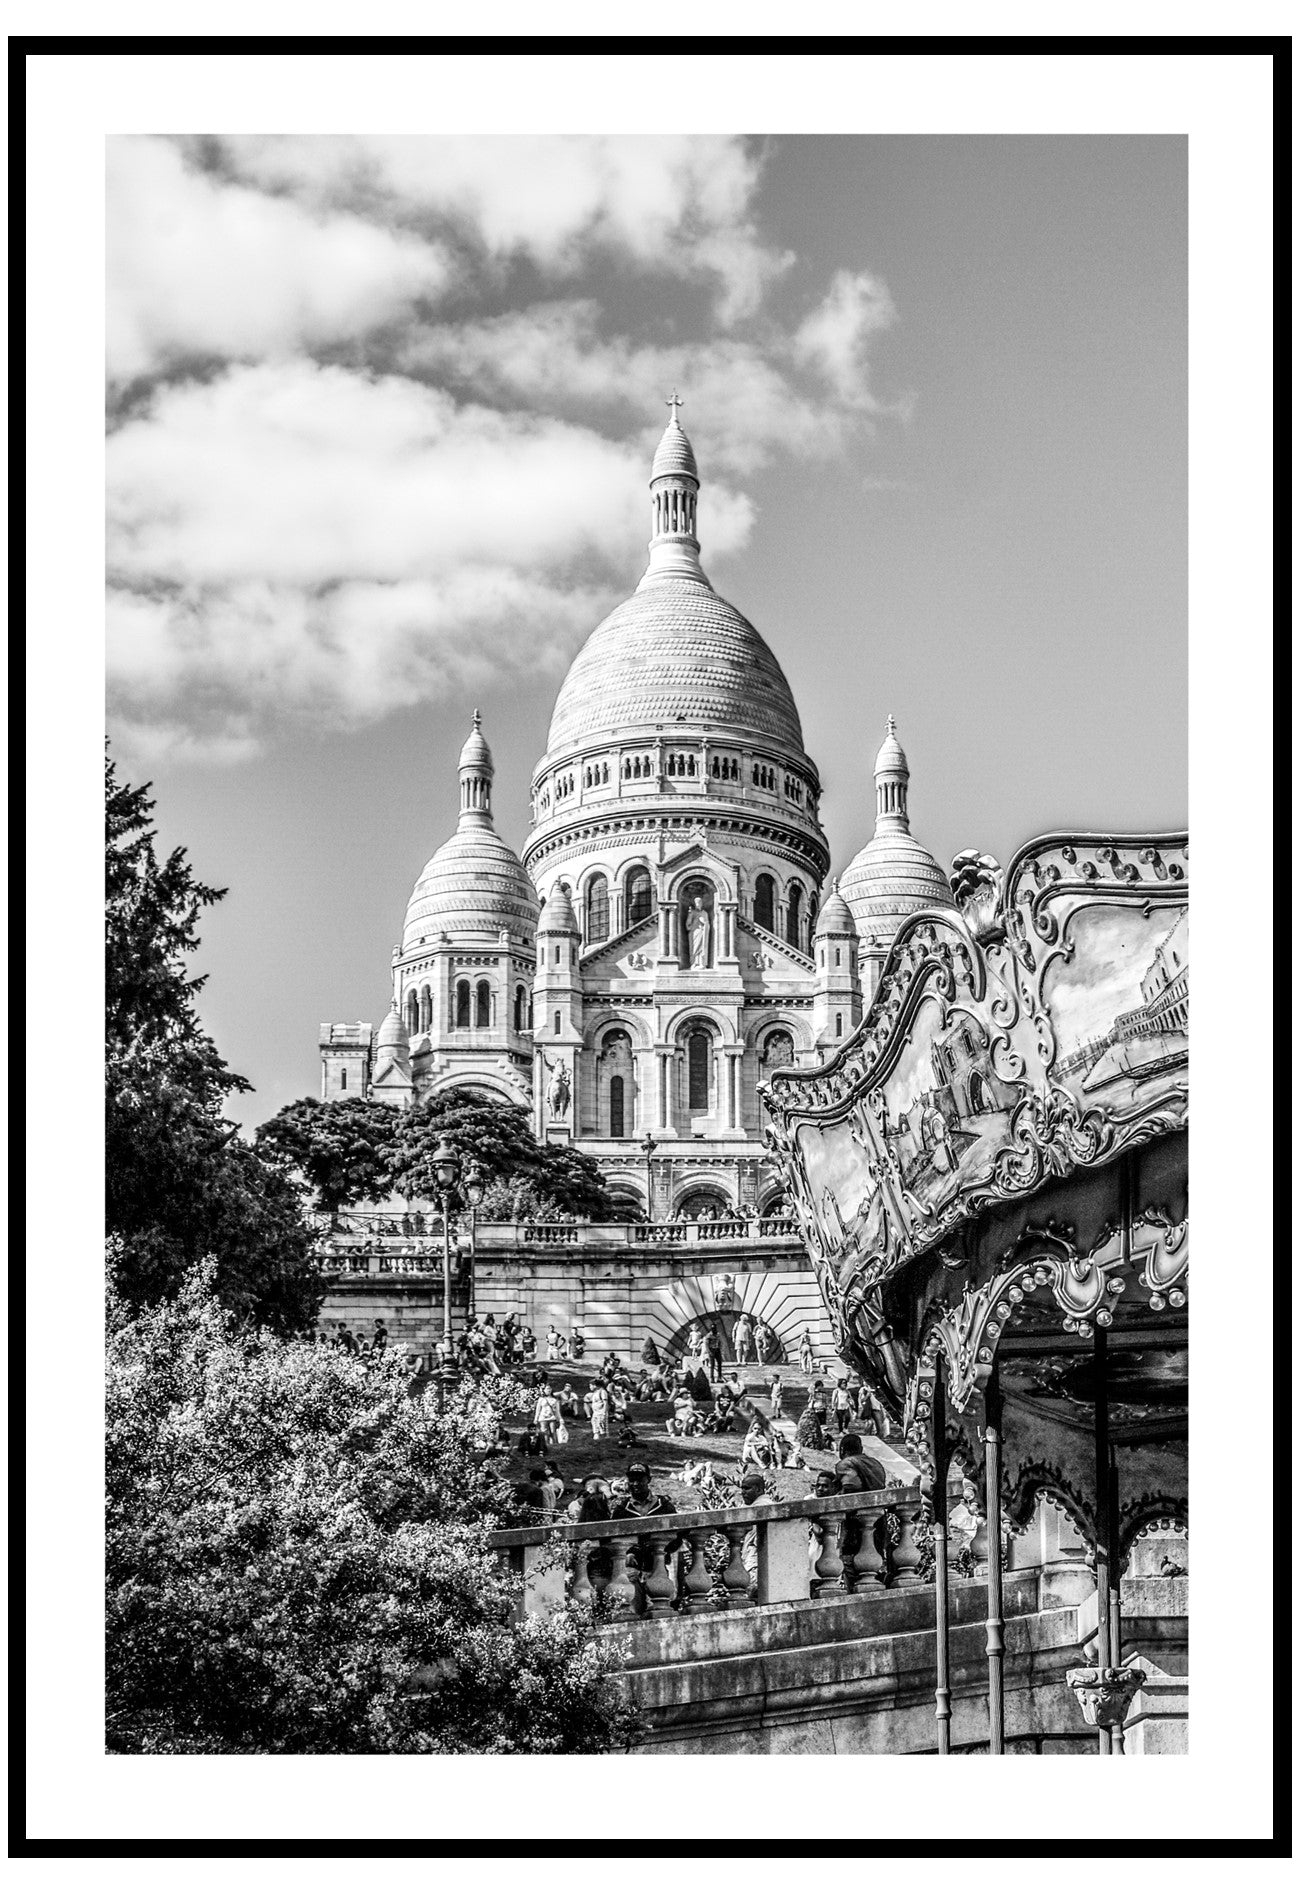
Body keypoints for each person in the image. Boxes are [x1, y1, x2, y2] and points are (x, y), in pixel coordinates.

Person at [736, 1470, 774, 1600]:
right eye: (742, 1488)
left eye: (747, 1488)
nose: (743, 1492)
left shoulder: (762, 1507)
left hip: (756, 1561)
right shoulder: (754, 1506)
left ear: (758, 1489)